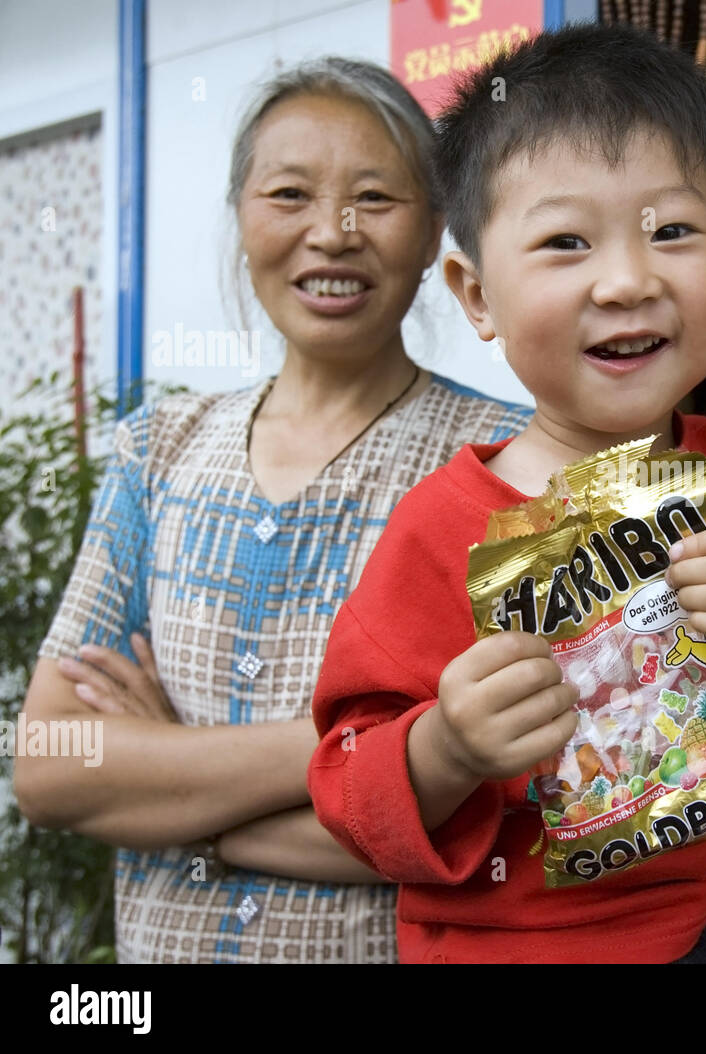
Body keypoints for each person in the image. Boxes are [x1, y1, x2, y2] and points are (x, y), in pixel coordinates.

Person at [307, 23, 706, 964]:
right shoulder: (441, 532)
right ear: (476, 296)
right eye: (565, 242)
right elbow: (349, 790)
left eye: (672, 231)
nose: (629, 280)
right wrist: (449, 748)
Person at [14, 57, 532, 963]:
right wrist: (393, 752)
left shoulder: (508, 462)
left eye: (377, 198)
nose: (332, 233)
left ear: (433, 233)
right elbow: (53, 765)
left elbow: (499, 821)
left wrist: (173, 780)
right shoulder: (157, 451)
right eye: (289, 193)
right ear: (242, 217)